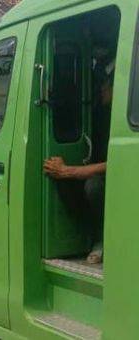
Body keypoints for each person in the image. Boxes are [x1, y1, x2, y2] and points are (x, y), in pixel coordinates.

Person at [44, 55, 114, 264]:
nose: (100, 89)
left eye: (104, 84)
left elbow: (116, 163)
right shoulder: (99, 114)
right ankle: (86, 236)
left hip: (121, 179)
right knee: (64, 183)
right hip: (100, 174)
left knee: (93, 186)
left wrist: (69, 170)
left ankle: (103, 239)